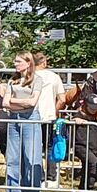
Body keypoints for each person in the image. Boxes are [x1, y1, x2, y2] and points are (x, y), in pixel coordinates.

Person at [2, 51, 43, 192]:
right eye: (15, 61)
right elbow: (5, 103)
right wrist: (20, 103)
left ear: (28, 63)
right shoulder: (12, 81)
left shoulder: (37, 80)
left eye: (18, 61)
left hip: (30, 119)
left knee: (31, 157)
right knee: (12, 158)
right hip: (13, 119)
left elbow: (33, 103)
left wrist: (14, 101)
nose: (15, 64)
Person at [58, 68, 97, 192]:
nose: (94, 111)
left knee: (90, 167)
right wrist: (77, 120)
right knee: (93, 163)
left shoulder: (96, 118)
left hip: (92, 145)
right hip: (80, 145)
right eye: (92, 108)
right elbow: (75, 113)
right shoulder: (79, 114)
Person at [32, 51, 65, 185]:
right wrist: (55, 110)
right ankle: (51, 176)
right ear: (44, 63)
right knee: (50, 145)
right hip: (49, 115)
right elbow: (62, 98)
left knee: (35, 146)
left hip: (31, 115)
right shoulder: (54, 77)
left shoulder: (29, 76)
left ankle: (38, 175)